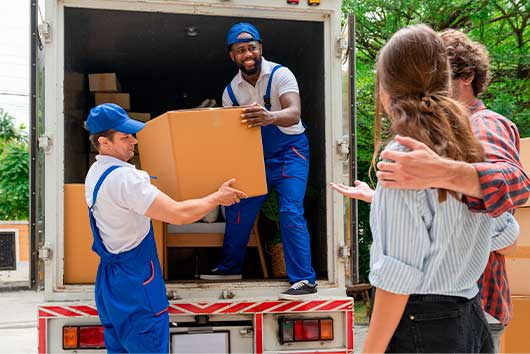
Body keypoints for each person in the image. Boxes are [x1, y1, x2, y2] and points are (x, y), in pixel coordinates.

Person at [332, 29, 530, 353]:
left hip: (422, 325)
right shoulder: (468, 147)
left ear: (388, 88)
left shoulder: (405, 157)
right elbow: (506, 236)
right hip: (469, 319)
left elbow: (398, 276)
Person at [84, 103, 247, 353]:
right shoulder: (126, 179)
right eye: (125, 137)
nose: (134, 141)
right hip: (137, 284)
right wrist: (217, 198)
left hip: (110, 283)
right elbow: (178, 215)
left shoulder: (96, 173)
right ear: (104, 143)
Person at [199, 22, 317, 300]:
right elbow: (233, 133)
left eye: (252, 47)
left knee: (290, 211)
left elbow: (294, 112)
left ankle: (304, 280)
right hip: (256, 158)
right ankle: (230, 268)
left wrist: (270, 117)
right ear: (233, 56)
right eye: (241, 50)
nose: (248, 53)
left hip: (291, 153)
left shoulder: (280, 74)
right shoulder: (231, 92)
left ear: (260, 48)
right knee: (238, 208)